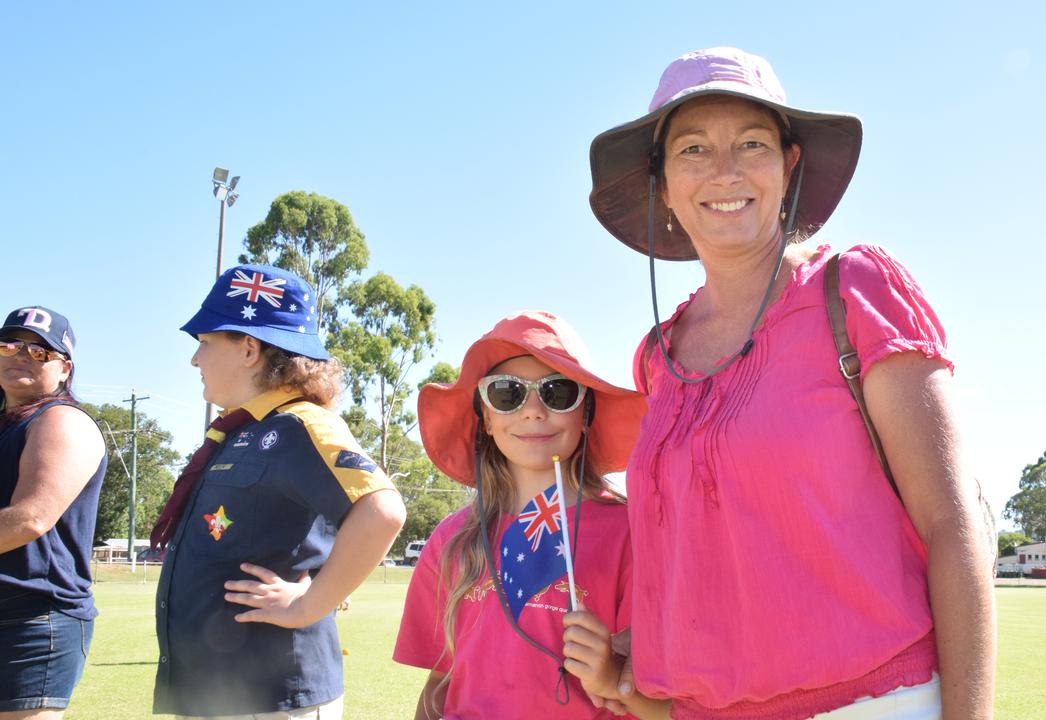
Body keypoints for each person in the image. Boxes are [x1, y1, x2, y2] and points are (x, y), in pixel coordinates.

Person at [587, 48, 996, 719]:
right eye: (692, 149)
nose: (724, 171)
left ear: (789, 164)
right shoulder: (657, 359)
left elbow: (954, 529)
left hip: (872, 704)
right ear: (661, 183)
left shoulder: (855, 292)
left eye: (751, 143)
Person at [151, 264, 406, 719]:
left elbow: (382, 510)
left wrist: (310, 604)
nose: (195, 360)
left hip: (270, 698)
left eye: (205, 343)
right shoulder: (242, 431)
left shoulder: (300, 425)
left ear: (249, 348)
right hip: (223, 692)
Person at [393, 311, 668, 719]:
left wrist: (612, 679)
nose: (534, 411)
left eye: (558, 392)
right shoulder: (452, 539)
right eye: (508, 393)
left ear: (586, 412)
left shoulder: (633, 536)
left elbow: (668, 710)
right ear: (485, 417)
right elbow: (438, 686)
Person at [0, 306, 106, 720]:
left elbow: (30, 518)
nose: (21, 354)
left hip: (33, 616)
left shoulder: (61, 421)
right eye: (9, 345)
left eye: (40, 352)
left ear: (65, 370)